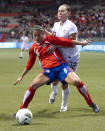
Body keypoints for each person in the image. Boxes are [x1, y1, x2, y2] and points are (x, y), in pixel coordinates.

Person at [13, 25, 99, 114]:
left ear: (43, 34)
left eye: (39, 35)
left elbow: (67, 42)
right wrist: (21, 76)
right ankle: (21, 109)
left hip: (61, 67)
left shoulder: (50, 40)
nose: (37, 37)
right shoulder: (33, 48)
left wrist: (82, 43)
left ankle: (91, 103)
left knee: (76, 81)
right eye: (35, 36)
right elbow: (30, 64)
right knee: (33, 85)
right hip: (48, 71)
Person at [45, 4, 97, 112]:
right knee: (54, 80)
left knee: (64, 81)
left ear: (69, 13)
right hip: (58, 57)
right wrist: (46, 33)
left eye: (63, 11)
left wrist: (56, 46)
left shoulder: (71, 26)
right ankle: (54, 93)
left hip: (70, 58)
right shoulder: (55, 24)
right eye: (59, 11)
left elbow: (71, 43)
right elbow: (54, 37)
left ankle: (64, 105)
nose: (60, 12)